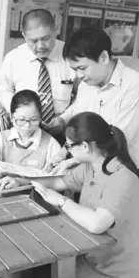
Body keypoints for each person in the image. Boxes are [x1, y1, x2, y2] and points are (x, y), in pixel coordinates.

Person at [27, 112, 139, 278]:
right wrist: (20, 180)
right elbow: (58, 182)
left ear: (85, 146)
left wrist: (60, 200)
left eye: (70, 146)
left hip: (113, 270)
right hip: (90, 255)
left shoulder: (122, 176)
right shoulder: (91, 166)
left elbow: (97, 223)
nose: (69, 151)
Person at [46, 27, 139, 173]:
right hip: (90, 169)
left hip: (124, 172)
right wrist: (61, 154)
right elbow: (80, 128)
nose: (78, 75)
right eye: (74, 69)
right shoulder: (86, 85)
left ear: (103, 58)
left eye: (82, 68)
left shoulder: (133, 87)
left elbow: (117, 140)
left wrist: (73, 160)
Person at [0, 8, 74, 127]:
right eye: (33, 41)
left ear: (55, 30)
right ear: (24, 35)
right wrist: (17, 114)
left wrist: (64, 118)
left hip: (63, 128)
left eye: (46, 39)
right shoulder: (13, 58)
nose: (40, 46)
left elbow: (83, 96)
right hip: (24, 127)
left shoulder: (71, 55)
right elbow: (4, 90)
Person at [0, 90, 61, 188]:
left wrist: (22, 181)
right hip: (7, 194)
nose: (27, 125)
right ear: (12, 117)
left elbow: (57, 180)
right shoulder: (3, 138)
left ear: (40, 118)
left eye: (34, 120)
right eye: (21, 120)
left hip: (38, 198)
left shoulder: (50, 144)